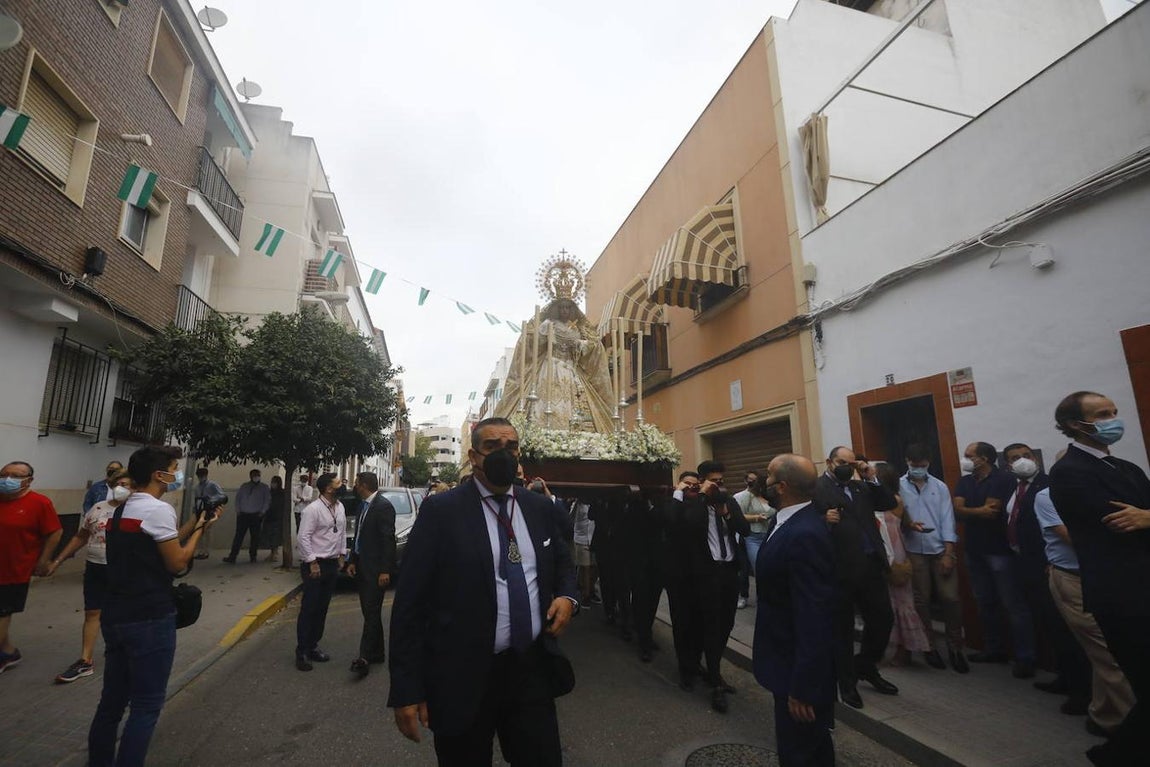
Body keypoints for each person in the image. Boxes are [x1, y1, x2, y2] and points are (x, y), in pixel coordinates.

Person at [388, 417, 578, 766]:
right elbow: (410, 605)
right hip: (463, 675)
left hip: (530, 671)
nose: (504, 454)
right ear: (474, 456)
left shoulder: (537, 508)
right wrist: (406, 689)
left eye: (511, 447)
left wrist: (568, 597)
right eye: (492, 447)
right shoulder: (441, 512)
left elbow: (562, 562)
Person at [87, 444, 223, 767]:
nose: (177, 474)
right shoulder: (158, 509)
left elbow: (163, 540)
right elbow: (176, 562)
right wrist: (202, 530)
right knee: (146, 707)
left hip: (117, 614)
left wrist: (196, 520)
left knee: (111, 705)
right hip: (149, 617)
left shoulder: (124, 508)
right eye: (174, 468)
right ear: (159, 474)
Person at [1048, 391, 1150, 767]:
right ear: (1076, 424)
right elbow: (1119, 524)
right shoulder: (1070, 472)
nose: (1113, 419)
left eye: (1114, 412)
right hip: (1122, 595)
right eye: (1102, 414)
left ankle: (1112, 754)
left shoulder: (1126, 468)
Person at [1034, 460, 1134, 738]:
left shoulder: (1108, 491)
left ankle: (1104, 713)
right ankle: (1129, 724)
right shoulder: (1047, 496)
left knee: (1106, 648)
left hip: (1107, 576)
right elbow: (1070, 536)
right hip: (1072, 576)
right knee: (1105, 650)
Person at [753, 454, 836, 767]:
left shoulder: (805, 534)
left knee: (798, 752)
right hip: (783, 659)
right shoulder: (784, 520)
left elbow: (814, 615)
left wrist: (803, 687)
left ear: (782, 487)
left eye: (769, 477)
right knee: (811, 746)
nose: (765, 482)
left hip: (797, 673)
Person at [1004, 442, 1091, 712]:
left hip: (1050, 565)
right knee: (1050, 623)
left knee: (1066, 627)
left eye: (1025, 456)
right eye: (1014, 458)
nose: (1021, 461)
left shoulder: (1047, 488)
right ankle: (1064, 677)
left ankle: (1082, 691)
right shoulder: (1013, 487)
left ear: (1036, 458)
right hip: (1026, 564)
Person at [813, 447, 899, 709]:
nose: (846, 468)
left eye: (850, 464)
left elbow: (888, 503)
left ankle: (865, 666)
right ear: (829, 462)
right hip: (839, 569)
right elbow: (803, 520)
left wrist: (871, 477)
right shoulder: (816, 488)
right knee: (843, 629)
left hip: (871, 565)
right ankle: (846, 682)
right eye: (841, 462)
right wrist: (822, 519)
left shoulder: (861, 487)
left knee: (883, 619)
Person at [955, 441, 1036, 678]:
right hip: (974, 550)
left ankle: (1025, 657)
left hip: (1000, 551)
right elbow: (957, 509)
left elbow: (992, 511)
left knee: (1013, 605)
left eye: (969, 455)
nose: (966, 459)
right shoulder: (965, 481)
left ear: (984, 458)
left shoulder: (1003, 479)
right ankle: (994, 649)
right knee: (985, 602)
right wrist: (975, 511)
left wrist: (970, 511)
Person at [47, 469, 132, 683]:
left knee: (122, 614)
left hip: (122, 570)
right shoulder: (98, 508)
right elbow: (80, 536)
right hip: (95, 567)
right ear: (112, 486)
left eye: (129, 484)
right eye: (120, 483)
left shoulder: (137, 511)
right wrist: (58, 561)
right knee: (92, 612)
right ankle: (85, 660)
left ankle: (127, 654)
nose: (123, 488)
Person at [680, 460, 749, 713]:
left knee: (725, 624)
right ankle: (712, 681)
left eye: (722, 481)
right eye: (714, 482)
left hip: (729, 573)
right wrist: (702, 498)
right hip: (705, 575)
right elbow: (688, 526)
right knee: (706, 625)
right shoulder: (694, 504)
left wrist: (726, 514)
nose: (720, 486)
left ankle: (713, 668)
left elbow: (745, 530)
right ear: (703, 482)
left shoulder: (729, 504)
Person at [899, 444, 966, 672]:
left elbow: (948, 519)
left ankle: (955, 647)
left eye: (923, 465)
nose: (919, 469)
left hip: (939, 549)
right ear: (907, 461)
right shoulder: (898, 486)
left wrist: (949, 552)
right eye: (915, 465)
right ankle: (929, 646)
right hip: (913, 550)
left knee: (951, 598)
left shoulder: (939, 486)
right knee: (921, 600)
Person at [0, 461, 63, 674]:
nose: (8, 479)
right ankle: (8, 652)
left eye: (15, 476)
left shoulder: (39, 503)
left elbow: (55, 532)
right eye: (4, 474)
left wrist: (44, 560)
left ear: (29, 480)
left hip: (15, 569)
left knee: (2, 613)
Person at [873, 463, 932, 666]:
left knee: (899, 600)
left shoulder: (891, 500)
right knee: (890, 600)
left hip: (892, 549)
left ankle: (903, 650)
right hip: (889, 547)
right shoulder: (896, 499)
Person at [294, 472, 347, 671]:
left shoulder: (340, 507)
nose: (342, 485)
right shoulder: (313, 510)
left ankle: (313, 646)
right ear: (327, 488)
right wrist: (312, 562)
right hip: (315, 565)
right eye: (338, 483)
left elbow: (340, 532)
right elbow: (303, 537)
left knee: (322, 608)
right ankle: (301, 652)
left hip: (332, 564)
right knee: (310, 608)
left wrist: (342, 554)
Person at [347, 471, 396, 678]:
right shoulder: (363, 506)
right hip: (363, 566)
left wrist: (385, 570)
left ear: (364, 485)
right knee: (370, 611)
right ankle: (378, 652)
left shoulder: (383, 506)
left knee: (372, 611)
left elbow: (388, 540)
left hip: (376, 570)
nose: (354, 487)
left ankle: (364, 657)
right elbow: (359, 536)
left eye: (357, 483)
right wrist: (352, 560)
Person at [665, 471, 705, 691]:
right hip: (678, 575)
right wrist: (678, 494)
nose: (691, 488)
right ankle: (685, 669)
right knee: (681, 623)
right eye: (686, 484)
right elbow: (672, 520)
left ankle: (696, 662)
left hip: (700, 574)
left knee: (698, 623)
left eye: (695, 485)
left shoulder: (700, 504)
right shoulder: (673, 503)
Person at [734, 470, 776, 608]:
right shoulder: (746, 496)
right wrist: (757, 518)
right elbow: (739, 516)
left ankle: (769, 598)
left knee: (772, 569)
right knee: (759, 569)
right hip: (753, 537)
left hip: (771, 536)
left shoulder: (770, 496)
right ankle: (761, 600)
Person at [225, 469, 270, 564]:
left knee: (255, 537)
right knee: (238, 536)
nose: (256, 477)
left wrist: (262, 512)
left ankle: (253, 556)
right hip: (243, 515)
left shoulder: (264, 487)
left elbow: (267, 500)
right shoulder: (244, 486)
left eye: (257, 475)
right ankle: (232, 556)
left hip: (256, 515)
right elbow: (238, 498)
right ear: (250, 476)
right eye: (254, 475)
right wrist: (238, 510)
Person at [192, 467, 223, 560]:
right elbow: (196, 499)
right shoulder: (197, 487)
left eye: (202, 475)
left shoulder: (212, 485)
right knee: (199, 531)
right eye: (199, 476)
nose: (201, 477)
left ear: (206, 475)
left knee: (207, 531)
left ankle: (206, 551)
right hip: (200, 510)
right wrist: (195, 510)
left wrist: (213, 503)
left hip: (210, 509)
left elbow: (220, 495)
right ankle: (200, 551)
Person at [261, 475, 286, 563]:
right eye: (272, 482)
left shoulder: (282, 493)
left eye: (275, 482)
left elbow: (282, 505)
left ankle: (275, 553)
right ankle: (272, 553)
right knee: (269, 535)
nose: (273, 484)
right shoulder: (269, 492)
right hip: (269, 516)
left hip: (277, 517)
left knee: (275, 536)